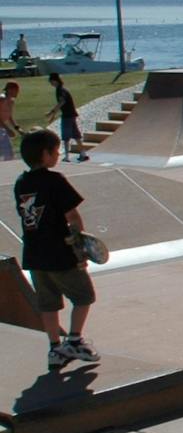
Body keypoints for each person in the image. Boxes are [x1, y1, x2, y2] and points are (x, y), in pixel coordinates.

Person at [13, 128, 99, 370]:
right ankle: (74, 341)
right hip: (59, 253)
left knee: (48, 304)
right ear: (46, 154)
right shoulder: (55, 180)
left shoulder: (21, 183)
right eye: (56, 151)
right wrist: (81, 247)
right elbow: (72, 216)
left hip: (33, 255)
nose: (58, 154)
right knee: (84, 296)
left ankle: (54, 349)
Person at [47, 73, 88, 162]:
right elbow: (62, 104)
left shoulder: (60, 90)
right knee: (76, 136)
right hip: (72, 114)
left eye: (51, 82)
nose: (51, 84)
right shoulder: (63, 89)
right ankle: (83, 154)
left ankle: (66, 156)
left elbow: (62, 102)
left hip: (67, 116)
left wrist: (52, 112)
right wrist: (53, 115)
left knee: (66, 137)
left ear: (54, 81)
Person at [0, 80, 20, 162]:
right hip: (1, 129)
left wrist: (18, 129)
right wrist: (8, 130)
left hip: (1, 129)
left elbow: (9, 117)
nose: (18, 92)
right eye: (16, 90)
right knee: (8, 152)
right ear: (10, 90)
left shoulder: (11, 101)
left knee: (8, 153)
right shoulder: (1, 99)